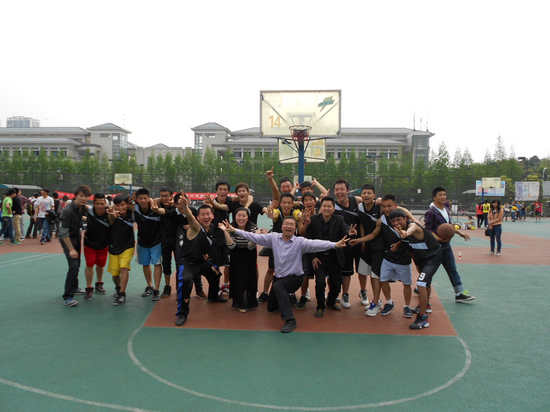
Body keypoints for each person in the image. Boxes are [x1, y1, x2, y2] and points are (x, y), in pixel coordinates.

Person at [223, 216, 349, 333]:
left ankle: (290, 320)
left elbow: (316, 243)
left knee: (279, 287)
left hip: (295, 279)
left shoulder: (300, 242)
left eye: (291, 225)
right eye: (286, 224)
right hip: (279, 278)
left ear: (295, 228)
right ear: (282, 226)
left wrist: (335, 245)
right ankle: (284, 299)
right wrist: (234, 230)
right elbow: (254, 237)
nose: (288, 227)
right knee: (271, 307)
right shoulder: (273, 238)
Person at [174, 198, 228, 327]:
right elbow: (191, 219)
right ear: (198, 217)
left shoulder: (215, 229)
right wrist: (186, 209)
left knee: (216, 273)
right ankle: (182, 313)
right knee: (186, 281)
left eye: (208, 214)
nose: (206, 217)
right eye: (203, 215)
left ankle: (213, 296)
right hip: (188, 263)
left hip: (203, 262)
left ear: (212, 216)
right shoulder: (194, 227)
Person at [424, 187, 476, 303]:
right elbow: (427, 230)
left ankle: (459, 293)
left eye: (444, 194)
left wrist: (461, 234)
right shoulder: (431, 212)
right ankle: (420, 288)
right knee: (429, 271)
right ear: (434, 197)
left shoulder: (446, 209)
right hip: (435, 247)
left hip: (446, 246)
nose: (443, 197)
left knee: (452, 269)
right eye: (440, 195)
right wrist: (439, 239)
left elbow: (449, 226)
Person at [393, 216, 442, 329]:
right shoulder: (399, 232)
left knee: (421, 283)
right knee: (426, 283)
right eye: (394, 221)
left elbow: (411, 229)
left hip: (433, 258)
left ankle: (422, 317)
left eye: (399, 219)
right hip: (421, 258)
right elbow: (406, 242)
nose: (396, 222)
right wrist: (398, 244)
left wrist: (406, 233)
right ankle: (426, 305)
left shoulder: (413, 226)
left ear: (405, 219)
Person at [304, 197, 351, 317]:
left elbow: (345, 233)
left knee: (336, 284)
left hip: (335, 257)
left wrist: (349, 233)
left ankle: (331, 302)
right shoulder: (314, 220)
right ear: (321, 208)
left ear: (333, 208)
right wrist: (313, 257)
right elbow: (309, 240)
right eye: (324, 206)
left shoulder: (339, 219)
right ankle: (320, 306)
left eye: (329, 206)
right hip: (319, 258)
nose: (326, 208)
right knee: (320, 283)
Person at [157, 188, 194, 298]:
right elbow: (156, 205)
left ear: (171, 196)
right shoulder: (159, 205)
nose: (164, 198)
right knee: (166, 264)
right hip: (165, 241)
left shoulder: (178, 208)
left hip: (179, 241)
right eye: (162, 196)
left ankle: (180, 288)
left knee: (180, 264)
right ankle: (167, 286)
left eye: (166, 196)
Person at [59, 185, 91, 307]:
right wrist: (71, 249)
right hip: (67, 239)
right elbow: (63, 232)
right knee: (73, 266)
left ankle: (75, 287)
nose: (84, 198)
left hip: (76, 236)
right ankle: (67, 296)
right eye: (81, 196)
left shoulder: (82, 208)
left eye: (86, 196)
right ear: (75, 196)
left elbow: (88, 214)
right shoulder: (67, 211)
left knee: (77, 264)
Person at [332, 179, 363, 309]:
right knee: (343, 271)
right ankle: (340, 294)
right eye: (337, 190)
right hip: (342, 243)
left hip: (358, 242)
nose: (339, 192)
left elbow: (374, 202)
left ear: (347, 190)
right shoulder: (332, 205)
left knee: (360, 271)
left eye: (342, 189)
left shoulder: (356, 200)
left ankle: (359, 292)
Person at [133, 188, 166, 301]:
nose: (143, 200)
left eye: (145, 198)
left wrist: (154, 204)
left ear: (148, 198)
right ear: (137, 199)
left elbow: (162, 207)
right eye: (140, 198)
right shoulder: (135, 209)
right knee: (145, 264)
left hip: (156, 241)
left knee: (157, 264)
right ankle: (150, 286)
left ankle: (156, 289)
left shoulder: (155, 207)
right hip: (142, 242)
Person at [225, 207, 259, 312]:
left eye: (244, 216)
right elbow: (232, 246)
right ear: (234, 217)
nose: (241, 218)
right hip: (236, 254)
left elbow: (250, 246)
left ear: (247, 217)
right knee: (237, 277)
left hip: (250, 254)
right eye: (239, 215)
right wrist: (225, 232)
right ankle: (239, 302)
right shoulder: (230, 227)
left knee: (250, 277)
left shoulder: (253, 227)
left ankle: (251, 301)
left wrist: (256, 236)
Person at [107, 195, 136, 305]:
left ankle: (122, 294)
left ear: (127, 205)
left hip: (128, 246)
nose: (121, 207)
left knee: (124, 268)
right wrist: (112, 216)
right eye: (118, 205)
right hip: (114, 247)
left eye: (123, 205)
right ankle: (118, 288)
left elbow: (136, 205)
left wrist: (132, 201)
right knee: (115, 274)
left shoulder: (131, 213)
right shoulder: (111, 214)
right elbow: (110, 221)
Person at [83, 193, 110, 299]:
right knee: (89, 265)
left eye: (102, 203)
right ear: (94, 204)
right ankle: (89, 288)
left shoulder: (109, 213)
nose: (99, 206)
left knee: (100, 265)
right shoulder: (88, 211)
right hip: (89, 244)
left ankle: (99, 284)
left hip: (104, 244)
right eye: (97, 203)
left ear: (105, 204)